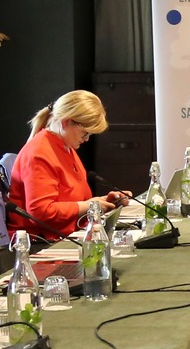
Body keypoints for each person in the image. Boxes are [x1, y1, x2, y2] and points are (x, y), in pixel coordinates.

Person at [9, 90, 131, 238]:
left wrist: (102, 202)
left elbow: (73, 201)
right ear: (66, 122)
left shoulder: (64, 146)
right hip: (41, 241)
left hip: (64, 234)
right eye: (85, 133)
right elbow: (41, 212)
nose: (86, 139)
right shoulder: (39, 153)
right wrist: (89, 206)